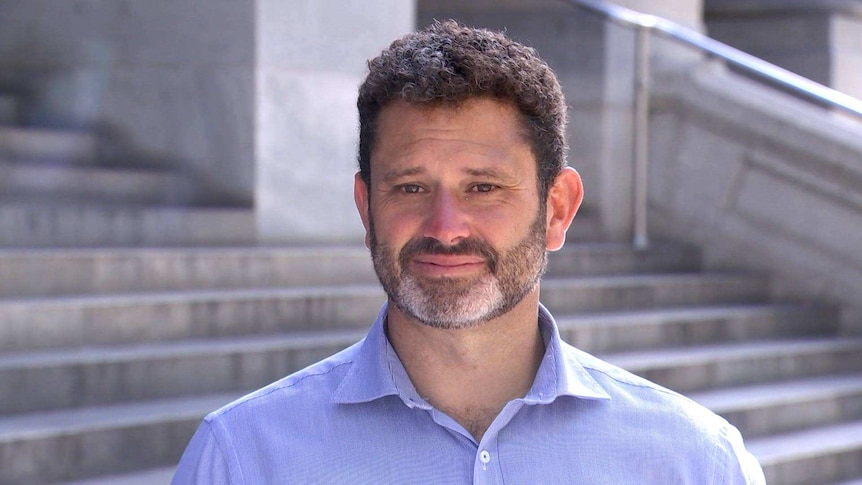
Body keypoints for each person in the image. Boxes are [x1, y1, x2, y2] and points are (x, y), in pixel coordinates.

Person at [172, 20, 765, 484]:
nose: (446, 226)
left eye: (483, 187)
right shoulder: (242, 460)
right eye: (410, 187)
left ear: (557, 208)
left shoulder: (697, 464)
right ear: (365, 207)